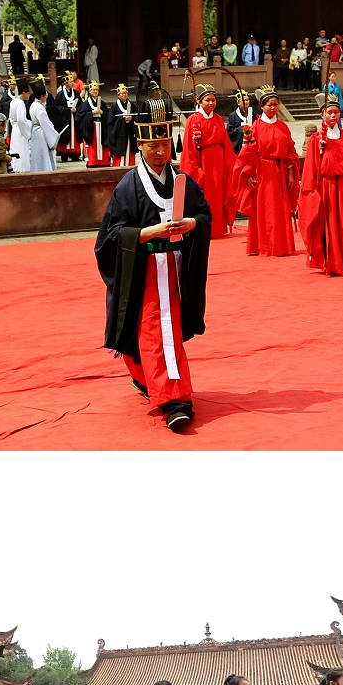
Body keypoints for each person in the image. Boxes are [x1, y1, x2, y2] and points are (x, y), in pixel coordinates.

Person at [95, 90, 212, 433]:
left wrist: (191, 224)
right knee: (153, 331)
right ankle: (175, 400)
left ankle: (149, 378)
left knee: (163, 333)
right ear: (140, 146)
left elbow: (204, 215)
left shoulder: (182, 181)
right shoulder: (128, 187)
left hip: (174, 272)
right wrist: (147, 233)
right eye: (152, 146)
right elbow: (109, 237)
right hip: (143, 273)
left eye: (164, 144)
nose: (160, 151)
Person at [299, 94, 343, 276]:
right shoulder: (317, 139)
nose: (333, 115)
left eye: (336, 112)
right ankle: (332, 263)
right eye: (329, 112)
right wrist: (311, 192)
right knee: (329, 224)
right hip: (326, 187)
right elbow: (311, 168)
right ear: (322, 114)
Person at [229, 85, 300, 257]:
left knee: (280, 209)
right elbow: (247, 153)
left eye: (275, 104)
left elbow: (290, 150)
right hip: (263, 172)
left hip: (281, 171)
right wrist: (249, 173)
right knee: (265, 209)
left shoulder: (283, 126)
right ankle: (265, 245)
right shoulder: (255, 127)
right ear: (262, 106)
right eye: (269, 105)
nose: (273, 107)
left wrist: (291, 173)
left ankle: (282, 245)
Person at [180, 83, 236, 239]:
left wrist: (231, 166)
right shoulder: (193, 120)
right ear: (199, 101)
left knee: (219, 196)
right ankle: (205, 229)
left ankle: (218, 228)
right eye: (207, 100)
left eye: (213, 100)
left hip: (219, 164)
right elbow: (189, 148)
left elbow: (226, 144)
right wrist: (196, 170)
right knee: (206, 197)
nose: (211, 103)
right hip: (204, 163)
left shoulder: (218, 119)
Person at [28, 80, 61, 172]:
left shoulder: (33, 105)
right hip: (41, 134)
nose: (46, 97)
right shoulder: (39, 108)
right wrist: (55, 134)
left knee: (37, 156)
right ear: (42, 96)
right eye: (45, 95)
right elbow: (45, 124)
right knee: (44, 157)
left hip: (35, 133)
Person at [78, 81, 111, 168]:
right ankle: (93, 162)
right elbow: (80, 116)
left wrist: (102, 113)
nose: (95, 91)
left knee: (102, 144)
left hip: (102, 127)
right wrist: (92, 113)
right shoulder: (85, 104)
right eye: (93, 90)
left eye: (96, 90)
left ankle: (104, 162)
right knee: (93, 145)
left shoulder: (102, 103)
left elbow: (108, 115)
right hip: (91, 128)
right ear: (89, 91)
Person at [107, 83, 139, 168]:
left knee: (130, 148)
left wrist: (132, 118)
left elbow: (137, 116)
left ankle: (130, 165)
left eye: (125, 93)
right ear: (118, 95)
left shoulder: (132, 105)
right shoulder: (114, 106)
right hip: (119, 134)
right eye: (122, 93)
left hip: (130, 131)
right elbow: (111, 121)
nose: (124, 95)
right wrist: (122, 120)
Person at [8, 78, 32, 172]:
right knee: (22, 150)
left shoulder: (13, 101)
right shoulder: (20, 103)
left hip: (15, 129)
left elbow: (11, 118)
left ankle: (15, 167)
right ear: (23, 92)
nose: (28, 95)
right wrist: (28, 130)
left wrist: (15, 126)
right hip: (21, 130)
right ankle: (22, 169)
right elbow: (21, 120)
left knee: (15, 148)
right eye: (28, 93)